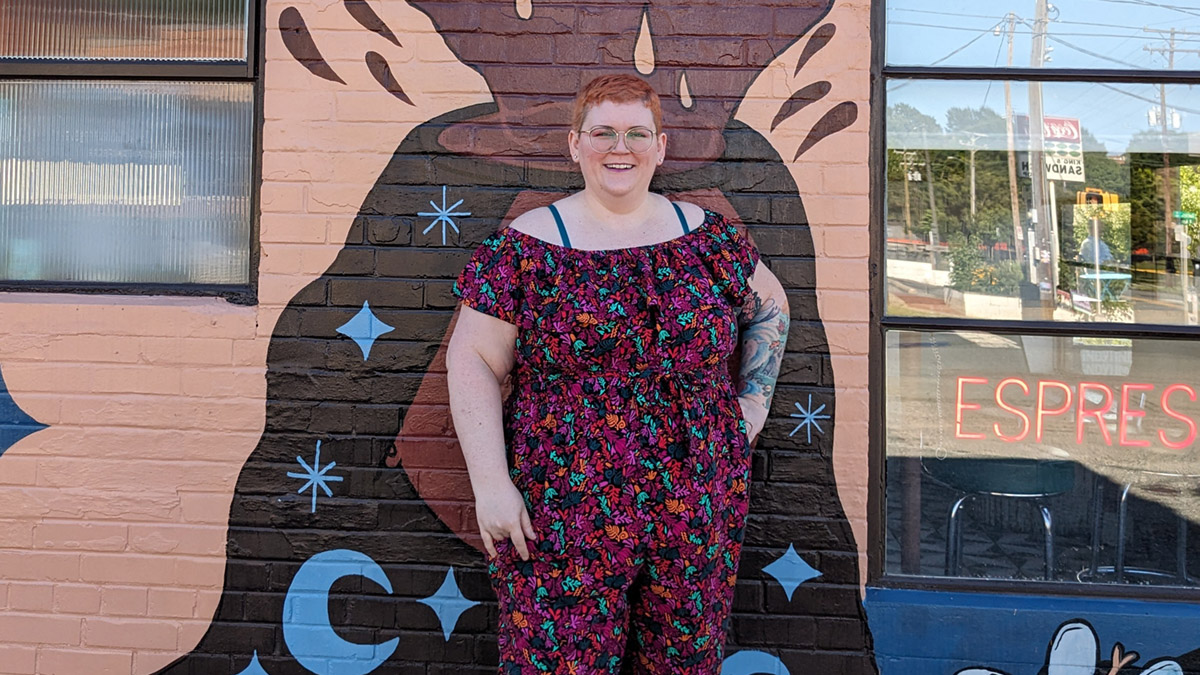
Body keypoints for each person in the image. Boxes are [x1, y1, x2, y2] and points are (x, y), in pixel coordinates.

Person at [446, 74, 790, 674]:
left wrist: (753, 403)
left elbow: (771, 305)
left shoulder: (710, 240)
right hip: (560, 505)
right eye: (602, 132)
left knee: (683, 663)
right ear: (574, 144)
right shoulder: (524, 249)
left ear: (660, 147)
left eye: (636, 132)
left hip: (697, 497)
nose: (619, 147)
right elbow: (472, 358)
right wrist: (490, 485)